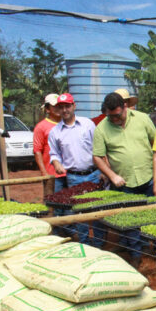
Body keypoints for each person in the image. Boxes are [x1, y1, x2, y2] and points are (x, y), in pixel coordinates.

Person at [93, 92, 156, 268]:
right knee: (129, 220)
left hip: (148, 177)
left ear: (125, 107)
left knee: (153, 215)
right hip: (124, 182)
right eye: (110, 116)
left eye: (118, 115)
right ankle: (135, 254)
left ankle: (155, 251)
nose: (114, 119)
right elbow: (97, 157)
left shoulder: (142, 119)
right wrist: (112, 176)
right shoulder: (101, 128)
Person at [47, 93, 105, 248]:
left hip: (94, 173)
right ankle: (85, 245)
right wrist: (56, 163)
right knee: (79, 214)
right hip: (74, 177)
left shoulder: (88, 124)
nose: (65, 110)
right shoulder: (55, 132)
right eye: (61, 107)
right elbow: (53, 153)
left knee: (98, 211)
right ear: (58, 109)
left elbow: (99, 147)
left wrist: (103, 171)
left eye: (67, 106)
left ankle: (99, 244)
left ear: (74, 106)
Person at [33, 93, 65, 197]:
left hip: (70, 173)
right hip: (52, 174)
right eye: (55, 106)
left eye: (60, 106)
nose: (58, 109)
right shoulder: (41, 127)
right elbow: (37, 151)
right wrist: (44, 172)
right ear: (47, 109)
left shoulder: (67, 124)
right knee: (53, 202)